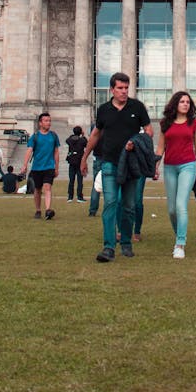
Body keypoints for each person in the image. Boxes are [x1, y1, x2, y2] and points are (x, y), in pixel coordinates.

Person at [78, 72, 153, 262]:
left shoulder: (137, 107)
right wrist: (84, 157)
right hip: (109, 163)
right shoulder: (104, 110)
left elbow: (149, 132)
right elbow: (95, 134)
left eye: (126, 88)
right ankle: (109, 247)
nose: (124, 91)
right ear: (112, 89)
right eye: (120, 88)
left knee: (128, 206)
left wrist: (135, 143)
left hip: (130, 164)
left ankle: (126, 242)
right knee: (110, 204)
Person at [156, 91, 196, 259]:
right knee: (171, 210)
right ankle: (180, 234)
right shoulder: (165, 124)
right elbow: (160, 148)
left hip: (188, 166)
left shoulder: (195, 124)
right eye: (182, 101)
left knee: (180, 205)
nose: (185, 104)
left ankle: (180, 244)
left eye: (188, 102)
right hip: (169, 166)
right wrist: (155, 166)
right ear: (175, 104)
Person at [22, 113, 61, 220]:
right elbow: (29, 150)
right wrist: (24, 165)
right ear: (40, 123)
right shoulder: (35, 137)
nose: (48, 123)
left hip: (49, 167)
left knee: (48, 187)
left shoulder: (53, 136)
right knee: (37, 189)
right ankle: (38, 210)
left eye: (49, 120)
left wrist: (56, 167)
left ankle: (48, 210)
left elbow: (56, 152)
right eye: (46, 121)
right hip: (37, 167)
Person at [65, 125, 87, 203]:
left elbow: (67, 140)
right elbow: (86, 143)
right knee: (79, 180)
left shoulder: (70, 140)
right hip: (79, 161)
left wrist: (72, 135)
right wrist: (83, 135)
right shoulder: (82, 140)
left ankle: (70, 197)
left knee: (71, 180)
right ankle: (79, 197)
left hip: (71, 161)